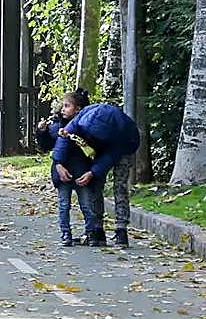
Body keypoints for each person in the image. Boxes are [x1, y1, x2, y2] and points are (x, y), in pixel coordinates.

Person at [53, 101, 141, 247]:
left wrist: (93, 172)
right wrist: (58, 162)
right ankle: (96, 229)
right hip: (102, 146)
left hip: (125, 147)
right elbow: (65, 136)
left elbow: (111, 156)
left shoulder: (122, 132)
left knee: (119, 187)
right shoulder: (81, 119)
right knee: (95, 185)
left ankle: (121, 230)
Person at [36, 89, 97, 247]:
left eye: (67, 106)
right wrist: (41, 132)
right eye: (62, 106)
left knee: (86, 204)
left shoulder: (85, 126)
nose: (63, 109)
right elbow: (47, 146)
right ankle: (65, 232)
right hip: (62, 172)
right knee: (64, 204)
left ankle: (91, 232)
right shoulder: (56, 126)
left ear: (77, 109)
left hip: (81, 170)